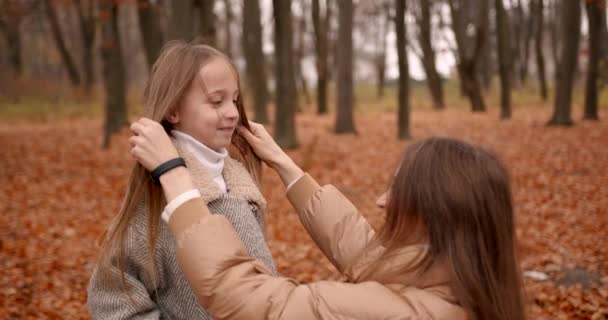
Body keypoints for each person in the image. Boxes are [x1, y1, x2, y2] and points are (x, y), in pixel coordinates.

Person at [129, 118, 527, 320]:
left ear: (435, 215)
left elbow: (248, 301)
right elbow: (366, 254)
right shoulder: (466, 282)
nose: (381, 201)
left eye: (397, 191)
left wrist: (175, 177)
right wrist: (285, 165)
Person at [87, 41, 276, 319]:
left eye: (234, 99)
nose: (234, 112)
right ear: (173, 110)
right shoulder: (158, 200)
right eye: (216, 101)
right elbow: (111, 296)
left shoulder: (240, 186)